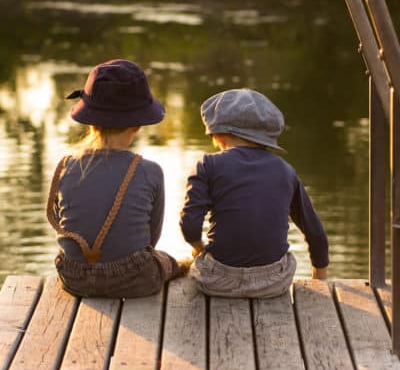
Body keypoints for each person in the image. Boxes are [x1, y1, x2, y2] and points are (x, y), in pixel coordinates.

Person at [47, 59, 190, 298]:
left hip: (73, 279)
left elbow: (64, 228)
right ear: (137, 125)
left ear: (90, 121)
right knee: (164, 261)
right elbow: (150, 243)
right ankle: (182, 266)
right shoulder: (150, 171)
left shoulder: (65, 166)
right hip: (134, 280)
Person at [180, 88, 329, 298]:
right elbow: (315, 232)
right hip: (273, 284)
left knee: (195, 264)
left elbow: (189, 225)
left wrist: (198, 247)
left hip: (218, 282)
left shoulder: (208, 165)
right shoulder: (285, 171)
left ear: (219, 135)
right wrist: (320, 278)